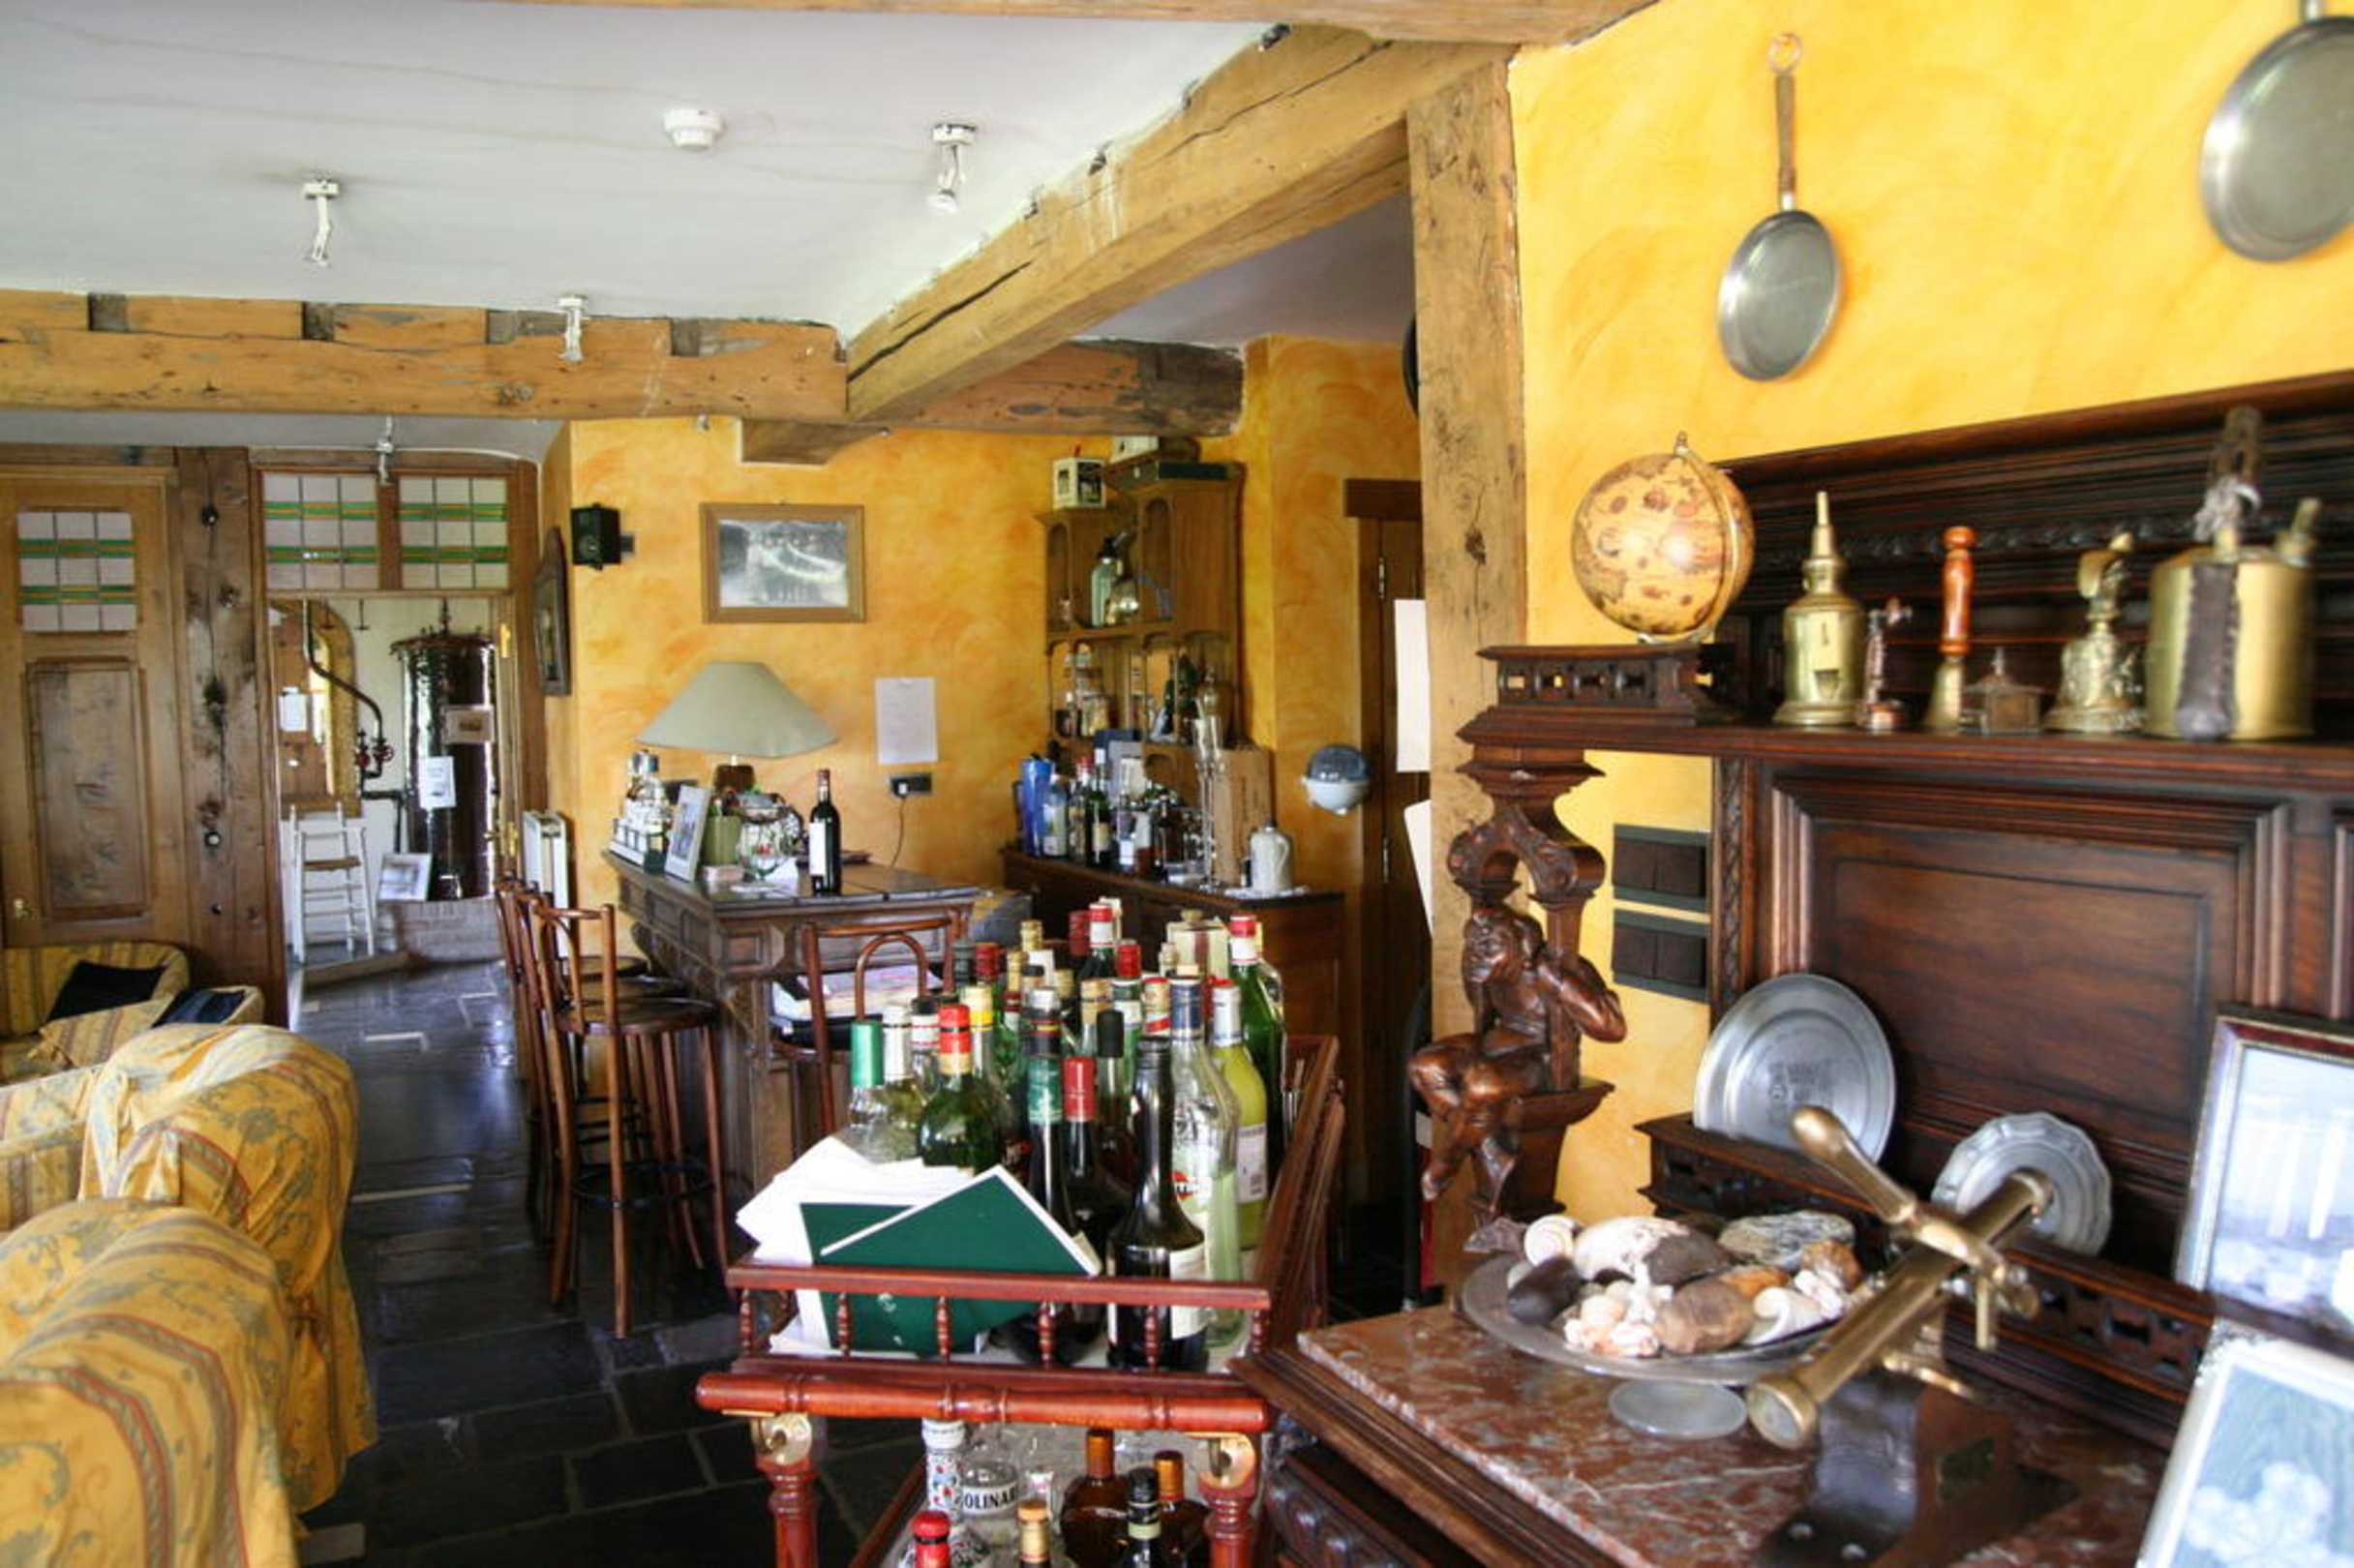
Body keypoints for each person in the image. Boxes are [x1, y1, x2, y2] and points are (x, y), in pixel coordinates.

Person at [1409, 902, 1625, 1221]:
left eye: (1490, 946)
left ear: (1521, 947)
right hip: (1499, 1041)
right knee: (1424, 1065)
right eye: (1474, 944)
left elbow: (1612, 1027)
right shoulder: (1488, 970)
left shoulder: (1556, 967)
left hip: (1542, 1055)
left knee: (1482, 1085)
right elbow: (1484, 1012)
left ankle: (1448, 1159)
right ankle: (1485, 1144)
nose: (1477, 954)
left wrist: (1560, 983)